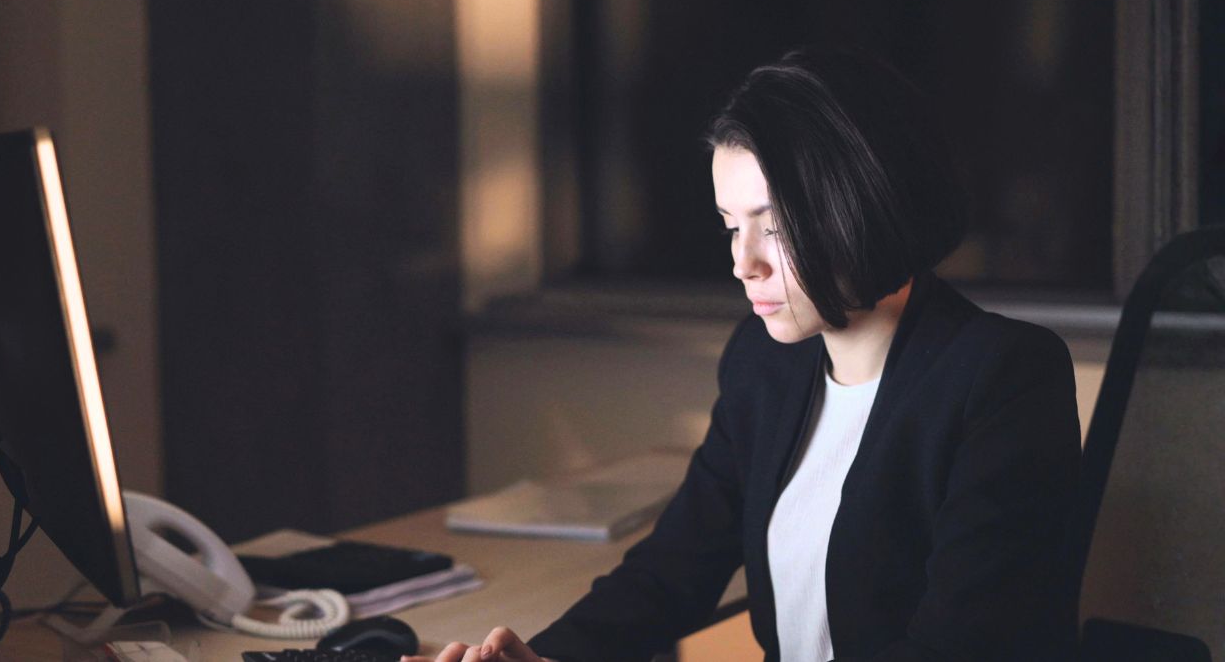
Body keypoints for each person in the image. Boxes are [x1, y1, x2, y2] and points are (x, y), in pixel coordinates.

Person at [405, 47, 1081, 662]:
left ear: (865, 206)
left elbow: (959, 647)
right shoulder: (766, 364)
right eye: (732, 226)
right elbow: (671, 569)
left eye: (775, 227)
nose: (743, 263)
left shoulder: (1003, 378)